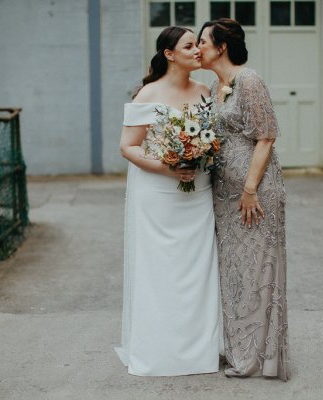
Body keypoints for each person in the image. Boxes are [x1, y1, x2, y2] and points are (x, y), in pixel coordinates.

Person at [115, 26, 221, 377]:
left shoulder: (206, 92)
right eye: (189, 46)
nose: (197, 51)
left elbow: (211, 140)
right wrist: (166, 167)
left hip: (197, 196)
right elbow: (128, 147)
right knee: (159, 275)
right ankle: (158, 353)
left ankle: (198, 354)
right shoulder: (148, 94)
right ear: (169, 54)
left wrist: (201, 158)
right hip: (159, 198)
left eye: (197, 45)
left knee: (197, 275)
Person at [198, 18, 290, 381]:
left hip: (256, 192)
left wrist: (250, 189)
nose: (198, 48)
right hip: (224, 195)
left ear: (221, 47)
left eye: (203, 41)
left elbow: (266, 137)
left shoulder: (249, 80)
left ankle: (259, 358)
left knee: (259, 270)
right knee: (235, 273)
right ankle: (240, 350)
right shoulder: (213, 85)